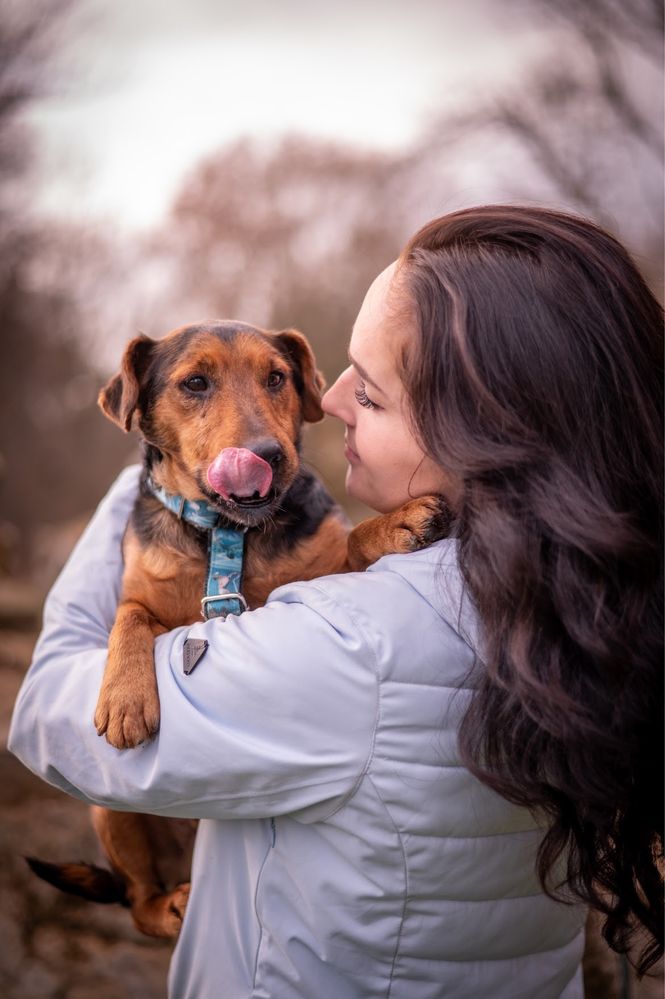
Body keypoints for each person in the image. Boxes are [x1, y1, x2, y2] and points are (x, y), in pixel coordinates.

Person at [9, 206, 663, 999]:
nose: (327, 400)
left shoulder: (343, 645)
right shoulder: (554, 587)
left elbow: (51, 716)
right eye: (338, 370)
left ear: (482, 426)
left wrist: (142, 483)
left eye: (375, 393)